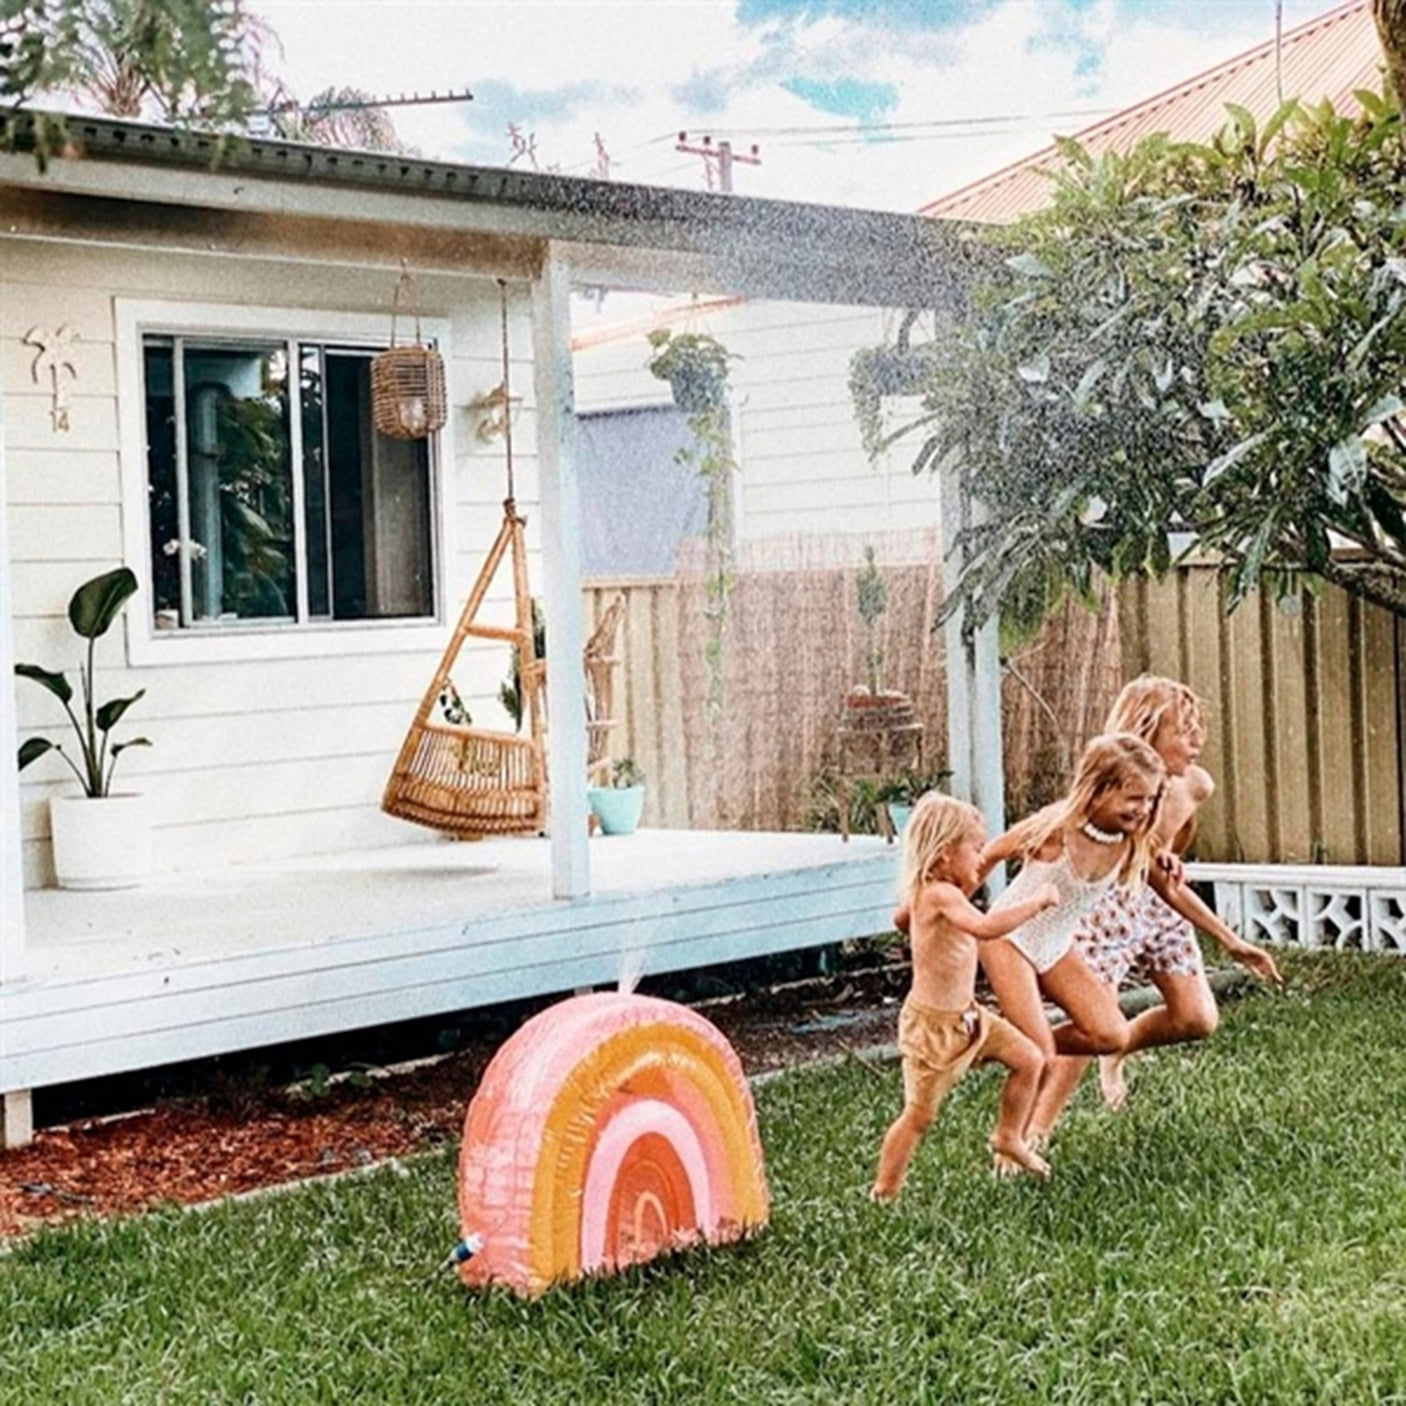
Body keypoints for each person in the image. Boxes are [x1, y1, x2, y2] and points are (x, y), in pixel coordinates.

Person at [1027, 677, 1282, 1140]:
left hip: (1159, 907)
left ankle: (1118, 1050)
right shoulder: (1113, 799)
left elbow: (1172, 852)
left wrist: (1172, 855)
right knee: (1094, 1019)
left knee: (1196, 1019)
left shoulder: (1194, 785)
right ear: (1146, 734)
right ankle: (1033, 1132)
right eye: (1185, 731)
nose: (1198, 740)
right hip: (1107, 907)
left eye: (1198, 727)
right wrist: (1230, 939)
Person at [870, 792, 1060, 1202]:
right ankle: (884, 1190)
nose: (980, 860)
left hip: (970, 1019)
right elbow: (987, 927)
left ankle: (1009, 1136)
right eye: (975, 850)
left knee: (1030, 1059)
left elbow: (900, 920)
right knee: (919, 1116)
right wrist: (1038, 901)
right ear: (942, 856)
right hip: (933, 1028)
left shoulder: (926, 893)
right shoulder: (941, 895)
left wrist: (916, 923)